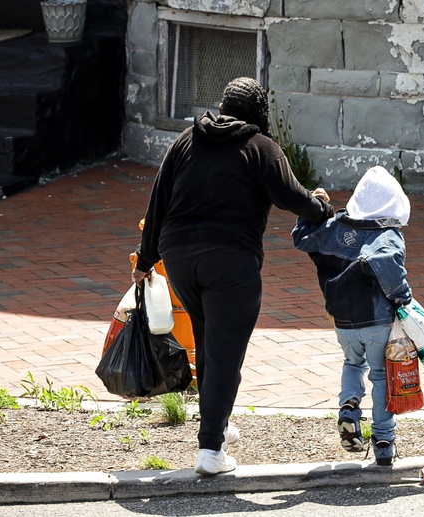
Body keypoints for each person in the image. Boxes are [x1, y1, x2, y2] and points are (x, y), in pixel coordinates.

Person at [132, 77, 334, 475]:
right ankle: (210, 451)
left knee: (210, 340)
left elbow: (158, 200)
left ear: (224, 106)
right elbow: (292, 197)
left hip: (179, 258)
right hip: (230, 262)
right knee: (225, 352)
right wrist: (321, 208)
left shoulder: (187, 140)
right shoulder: (261, 147)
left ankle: (217, 425)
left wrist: (145, 258)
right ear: (259, 111)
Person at [290, 165, 412, 466]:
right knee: (381, 375)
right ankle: (383, 440)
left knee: (351, 363)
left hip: (341, 319)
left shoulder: (335, 227)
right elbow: (391, 269)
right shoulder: (387, 235)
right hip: (377, 321)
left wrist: (314, 209)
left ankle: (349, 407)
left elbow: (303, 238)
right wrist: (404, 300)